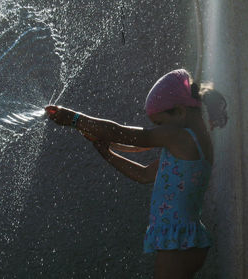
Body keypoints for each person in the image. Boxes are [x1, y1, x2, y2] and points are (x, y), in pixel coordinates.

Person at [45, 69, 227, 279]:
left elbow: (122, 133)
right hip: (188, 238)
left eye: (159, 123)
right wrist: (108, 154)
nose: (157, 129)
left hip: (177, 243)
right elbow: (144, 174)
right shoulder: (191, 144)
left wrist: (74, 119)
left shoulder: (180, 138)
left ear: (179, 112)